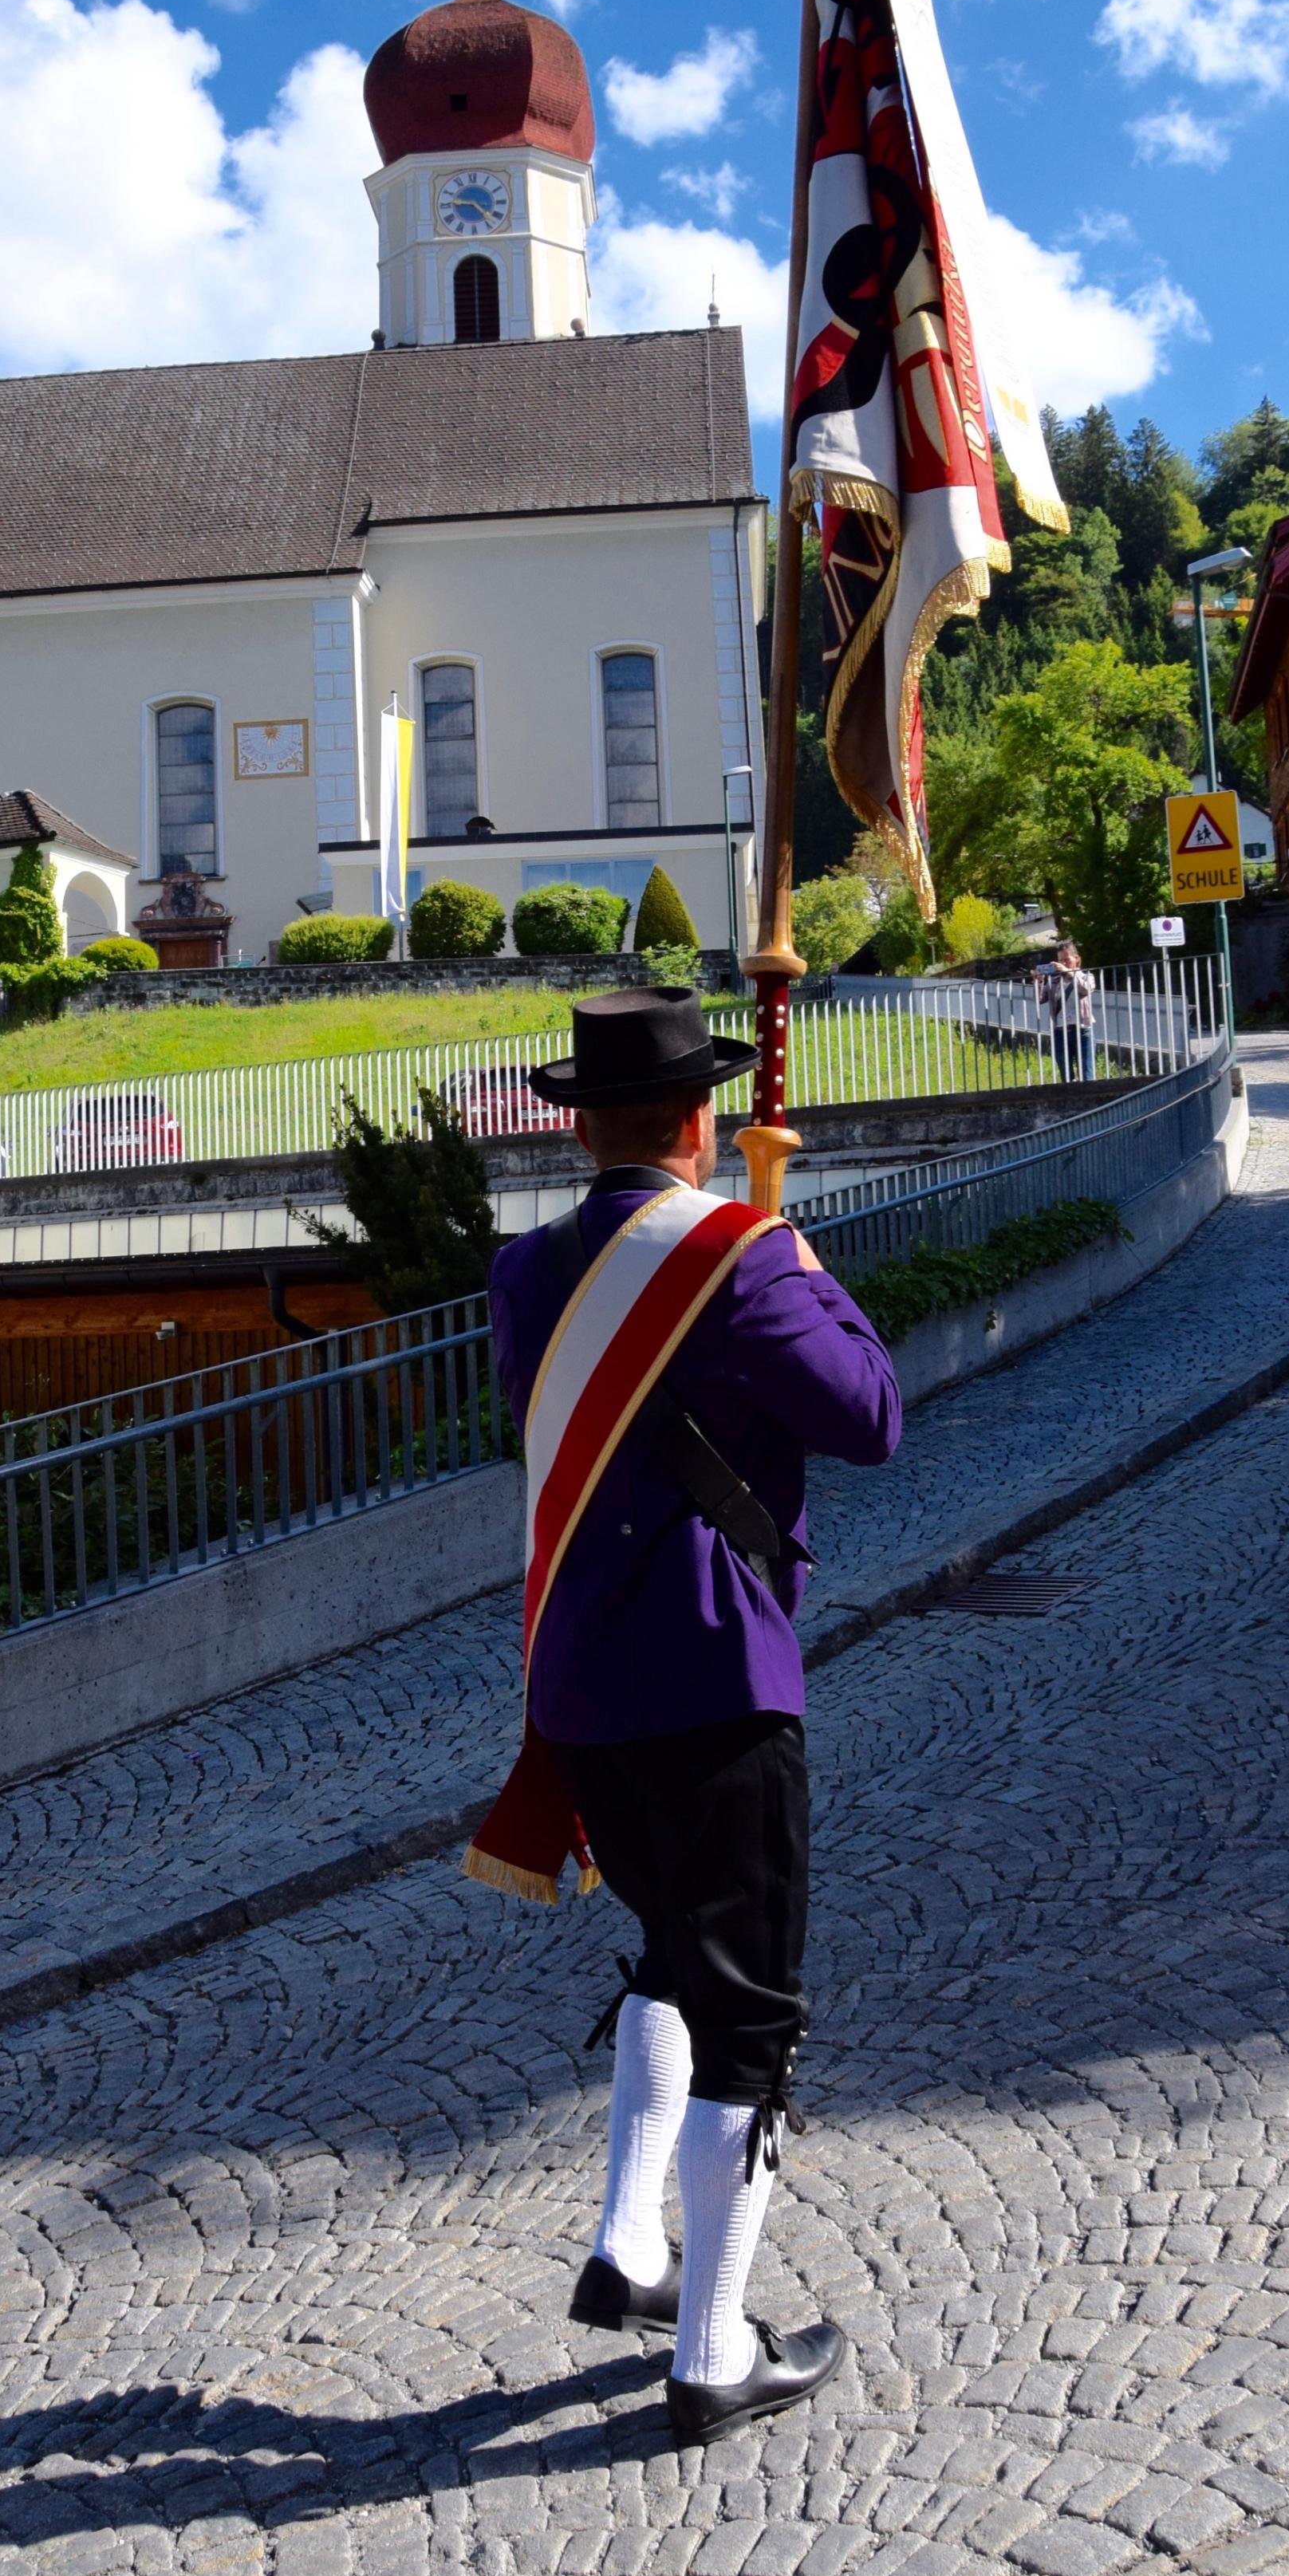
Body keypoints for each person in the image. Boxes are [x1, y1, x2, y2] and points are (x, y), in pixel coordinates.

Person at [483, 988, 902, 2446]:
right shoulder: (742, 1255)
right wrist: (802, 1264)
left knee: (671, 1953)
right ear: (698, 1121)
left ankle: (629, 2248)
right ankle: (713, 2355)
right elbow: (869, 1414)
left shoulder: (523, 1271)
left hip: (580, 1686)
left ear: (579, 1128)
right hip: (715, 1678)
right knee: (751, 2014)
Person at [1035, 940, 1095, 1082]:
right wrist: (1039, 981)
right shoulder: (1055, 981)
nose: (1063, 963)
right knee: (1066, 1077)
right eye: (1060, 960)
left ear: (1077, 959)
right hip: (1060, 1031)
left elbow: (1086, 989)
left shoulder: (1086, 976)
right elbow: (1039, 999)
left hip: (1082, 1030)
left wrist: (1069, 972)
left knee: (1087, 1075)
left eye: (1067, 959)